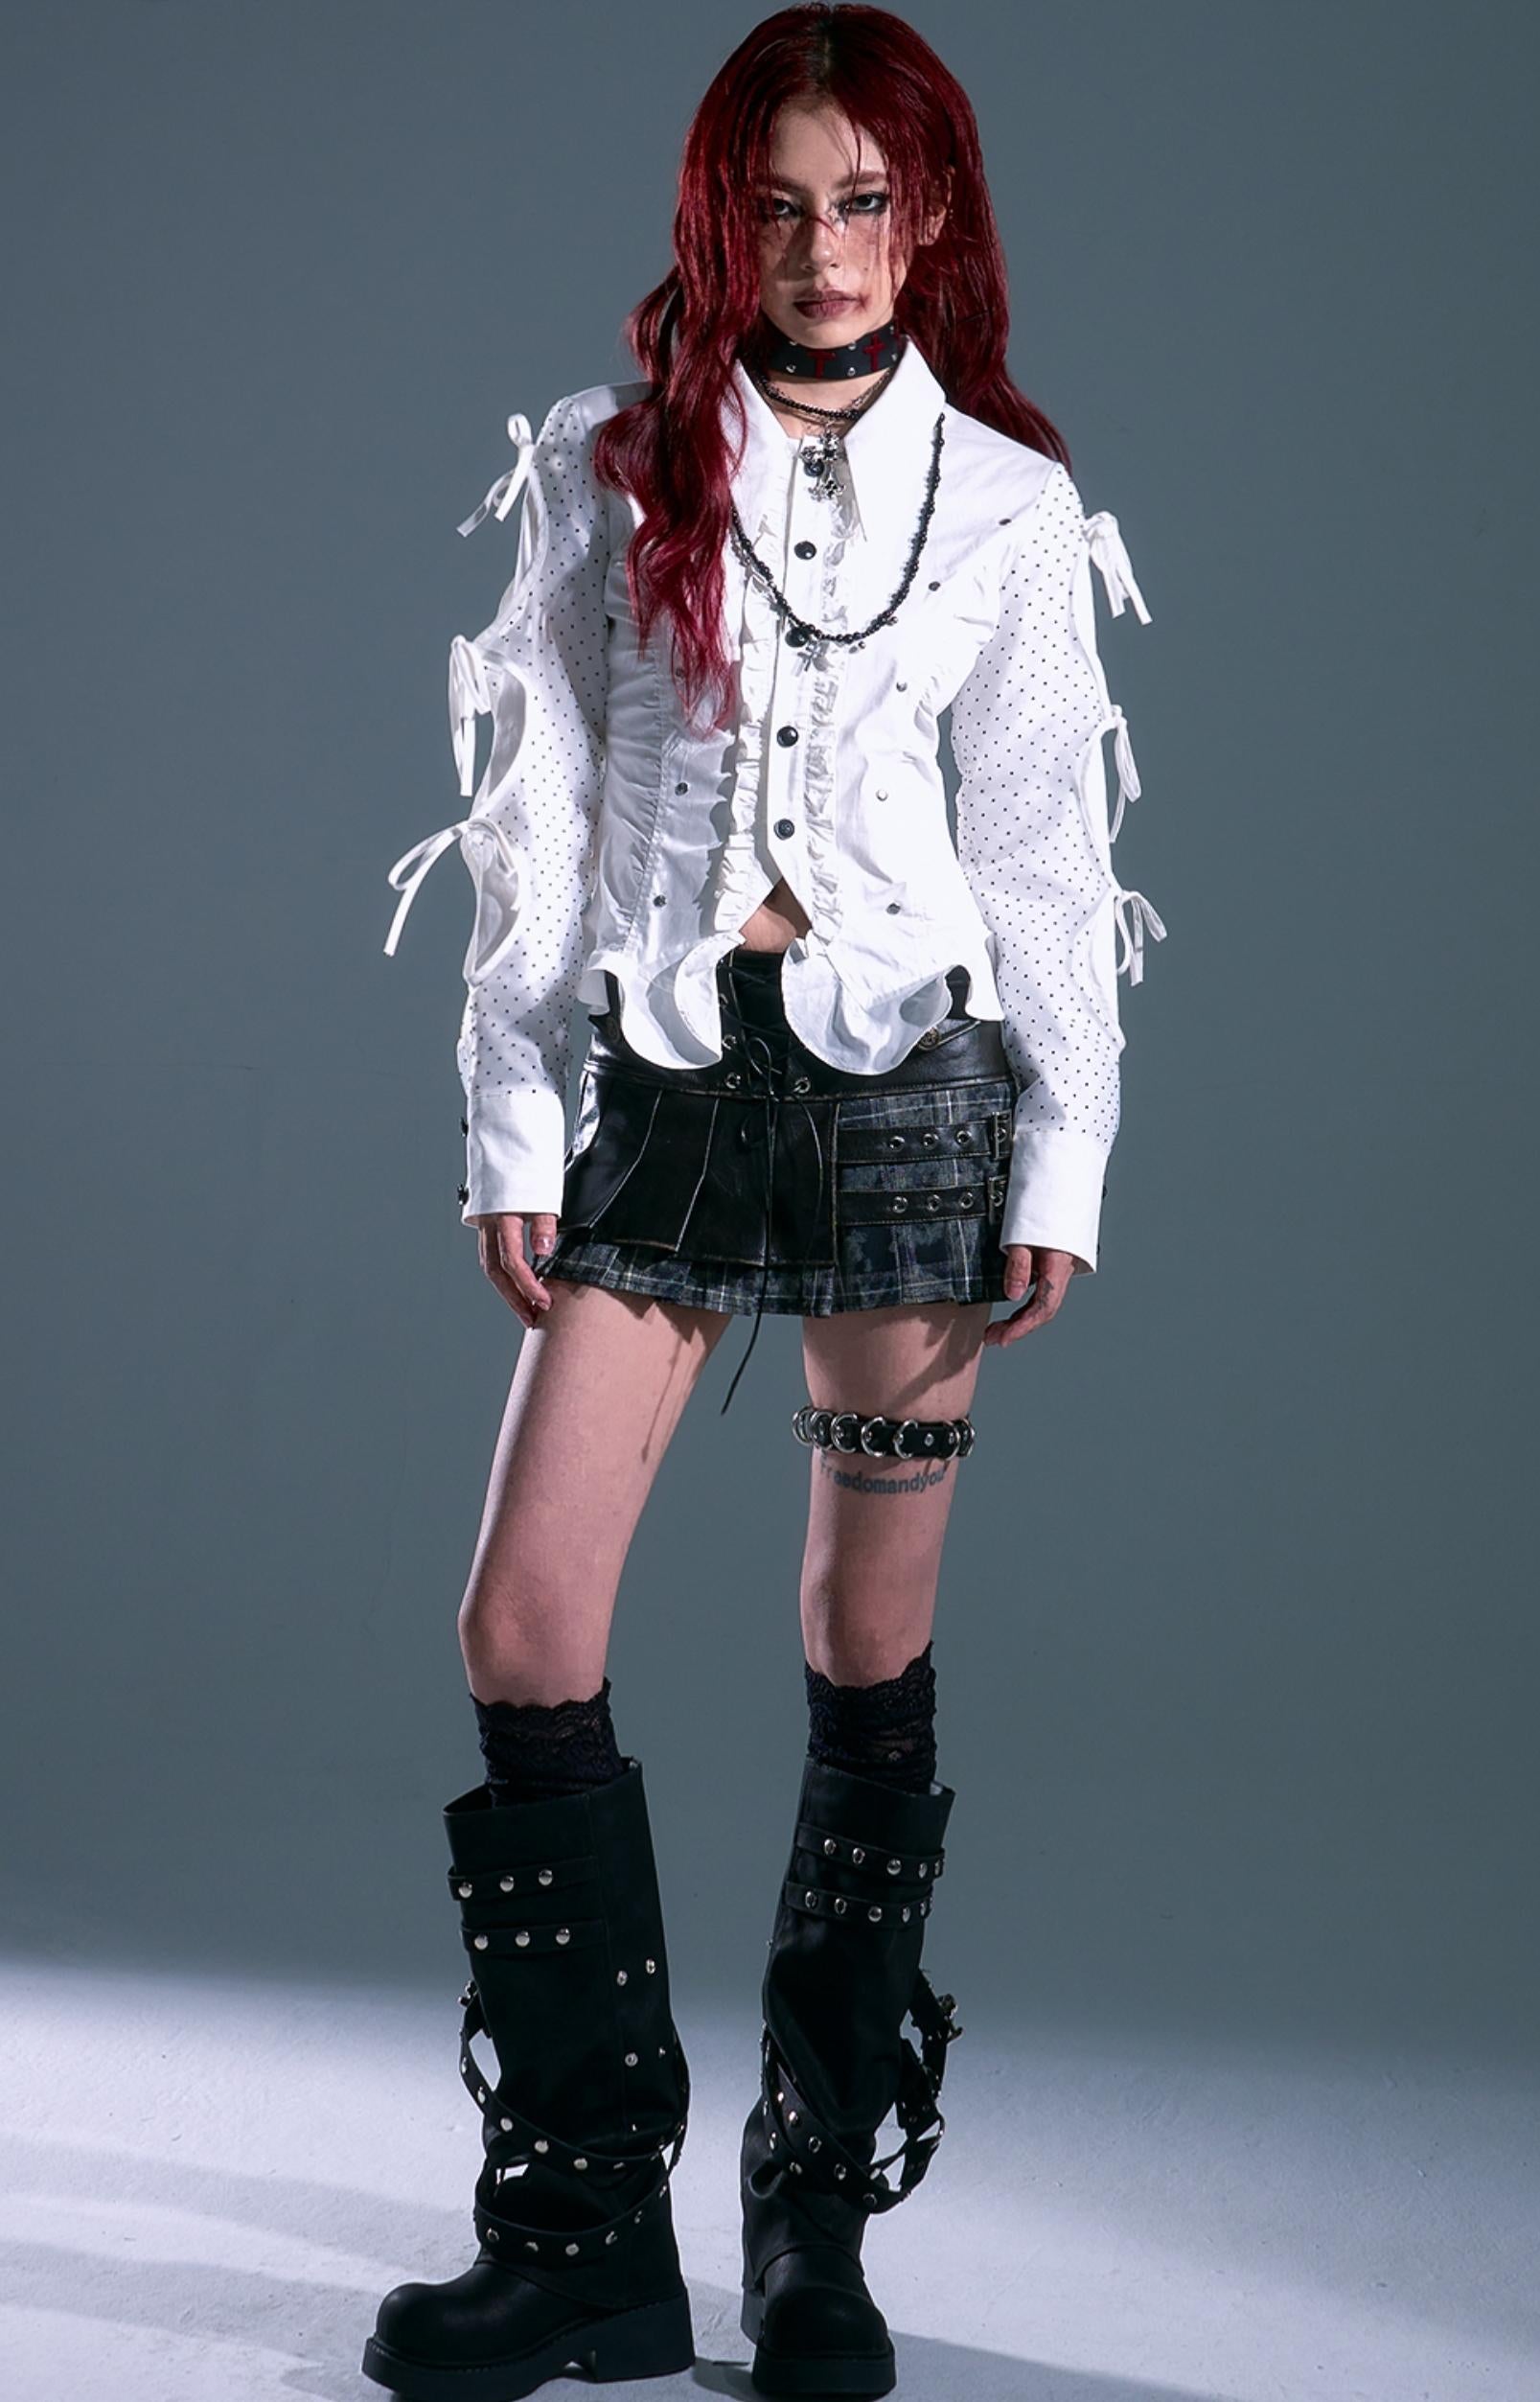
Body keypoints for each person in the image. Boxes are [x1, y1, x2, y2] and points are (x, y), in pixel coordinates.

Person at [363, 6, 1163, 2396]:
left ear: (931, 218)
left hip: (912, 1103)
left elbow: (1044, 846)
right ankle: (582, 2223)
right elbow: (536, 813)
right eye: (781, 205)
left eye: (867, 203)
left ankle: (811, 2221)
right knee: (524, 1619)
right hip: (667, 1090)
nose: (825, 251)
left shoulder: (1003, 501)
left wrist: (1063, 1152)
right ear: (724, 217)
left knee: (861, 1641)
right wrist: (511, 1121)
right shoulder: (611, 462)